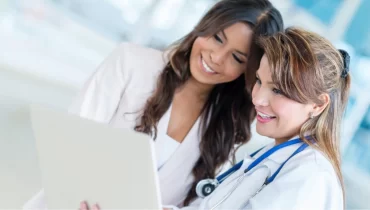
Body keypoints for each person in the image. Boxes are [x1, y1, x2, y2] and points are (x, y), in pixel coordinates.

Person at [23, 0, 284, 209]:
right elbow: (68, 142)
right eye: (217, 38)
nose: (216, 58)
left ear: (249, 72)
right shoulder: (131, 64)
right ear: (205, 26)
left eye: (237, 58)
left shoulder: (225, 129)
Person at [81, 27, 350, 210]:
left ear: (317, 105)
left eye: (278, 90)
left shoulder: (310, 179)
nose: (258, 98)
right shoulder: (276, 155)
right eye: (259, 81)